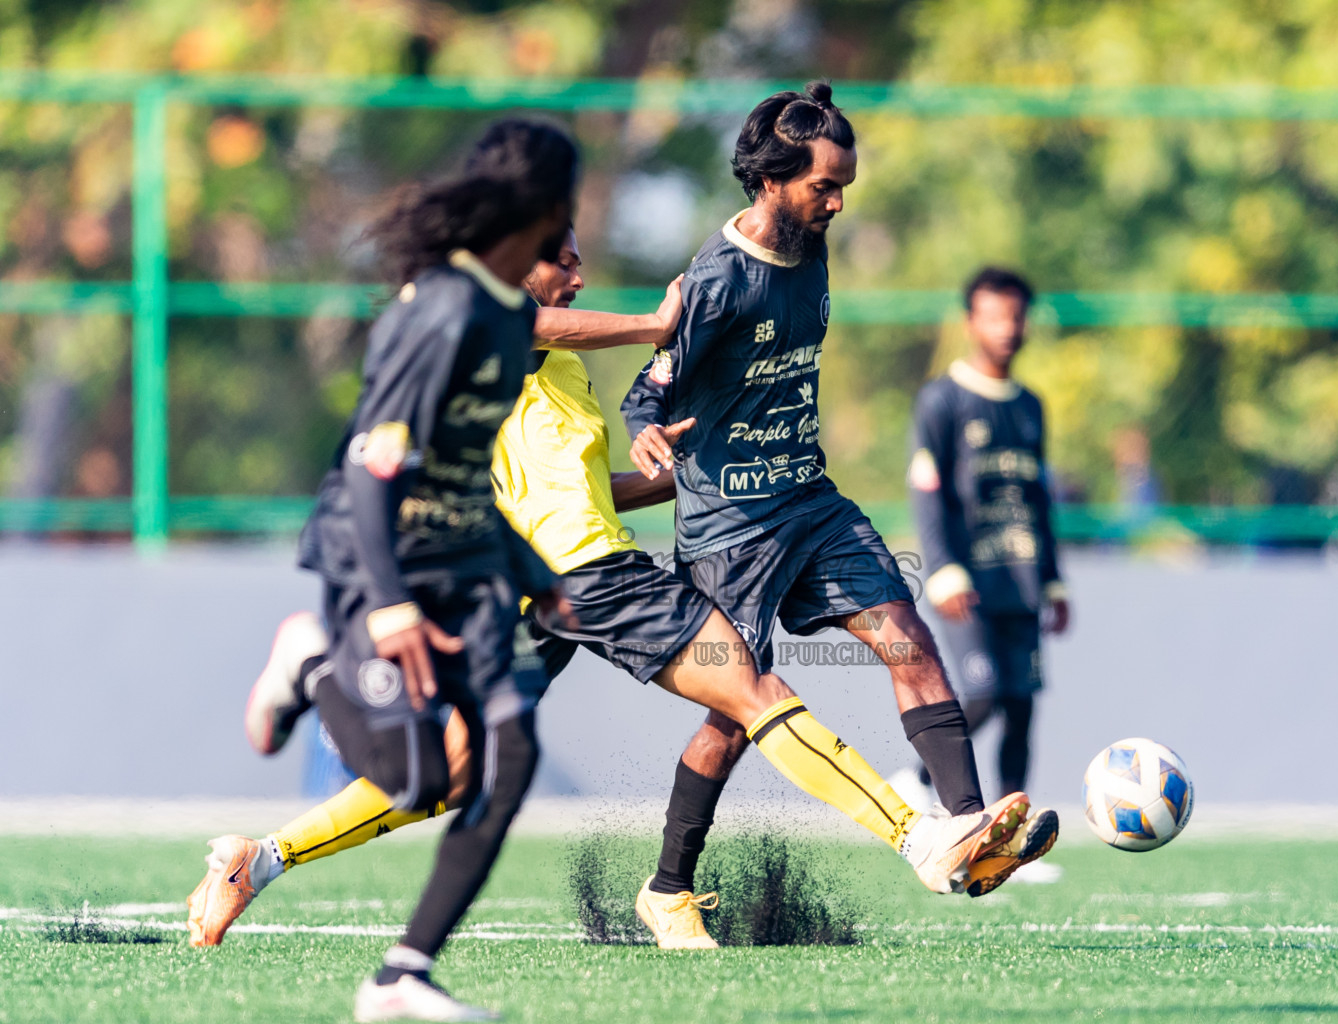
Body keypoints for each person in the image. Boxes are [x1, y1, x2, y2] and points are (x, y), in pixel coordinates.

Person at [191, 234, 1026, 984]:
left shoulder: (551, 367)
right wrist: (653, 322)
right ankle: (920, 839)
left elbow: (579, 486)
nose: (579, 274)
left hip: (541, 594)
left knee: (451, 774)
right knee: (754, 693)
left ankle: (257, 861)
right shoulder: (496, 334)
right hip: (594, 580)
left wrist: (676, 474)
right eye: (564, 258)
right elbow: (531, 328)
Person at [620, 82, 1058, 903]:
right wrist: (647, 427)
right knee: (734, 716)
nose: (837, 203)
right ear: (772, 181)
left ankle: (967, 827)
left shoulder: (813, 250)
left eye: (845, 188)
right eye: (824, 187)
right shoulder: (716, 282)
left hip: (811, 503)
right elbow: (652, 387)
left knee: (907, 635)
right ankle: (668, 883)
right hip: (729, 529)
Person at [198, 116, 580, 1023]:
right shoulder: (441, 308)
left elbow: (461, 472)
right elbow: (374, 471)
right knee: (415, 782)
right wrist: (393, 605)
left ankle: (402, 976)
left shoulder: (508, 317)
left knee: (507, 758)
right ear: (540, 203)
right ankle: (310, 658)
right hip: (379, 559)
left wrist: (536, 571)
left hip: (469, 559)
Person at [892, 268, 1069, 885]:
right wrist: (942, 570)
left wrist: (1054, 580)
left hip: (1021, 581)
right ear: (971, 323)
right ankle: (919, 779)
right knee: (985, 693)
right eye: (995, 316)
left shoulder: (1029, 406)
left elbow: (1039, 499)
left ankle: (1014, 841)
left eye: (1017, 316)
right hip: (967, 584)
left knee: (1022, 706)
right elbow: (927, 493)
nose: (1007, 329)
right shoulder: (943, 400)